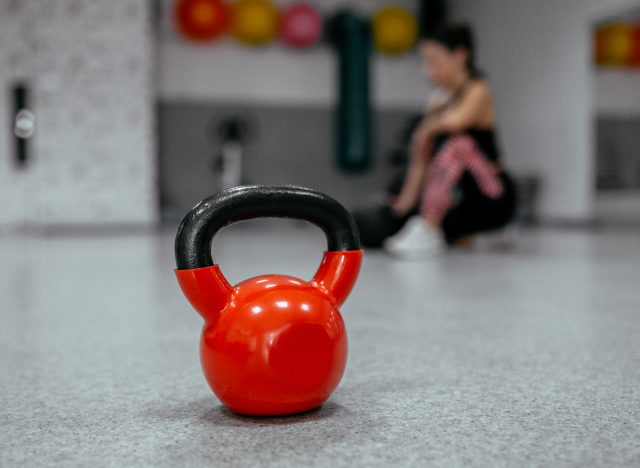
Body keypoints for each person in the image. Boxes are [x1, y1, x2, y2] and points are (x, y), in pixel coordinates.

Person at [384, 23, 516, 258]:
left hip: (493, 196)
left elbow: (455, 123)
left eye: (435, 60)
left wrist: (426, 128)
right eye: (426, 62)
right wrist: (403, 205)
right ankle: (429, 226)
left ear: (460, 56)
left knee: (459, 144)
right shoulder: (439, 100)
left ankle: (430, 227)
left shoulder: (478, 89)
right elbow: (421, 158)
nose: (429, 70)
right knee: (426, 148)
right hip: (464, 202)